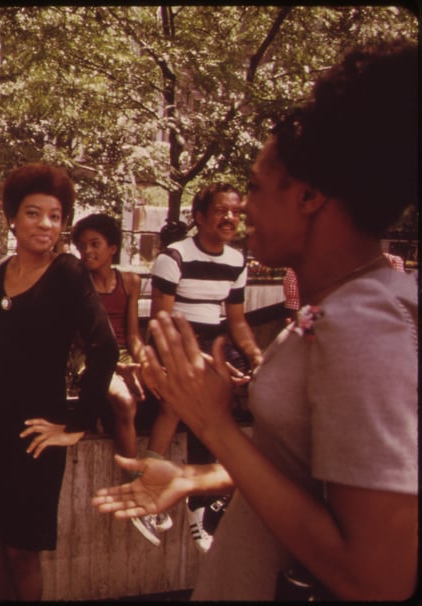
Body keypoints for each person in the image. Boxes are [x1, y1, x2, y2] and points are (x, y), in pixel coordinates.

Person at [93, 41, 418, 601]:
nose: (244, 212)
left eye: (259, 190)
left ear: (311, 197)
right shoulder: (337, 307)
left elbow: (377, 577)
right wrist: (200, 477)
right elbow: (313, 477)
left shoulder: (366, 326)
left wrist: (215, 427)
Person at [0, 163, 118, 601]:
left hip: (36, 431)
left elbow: (106, 348)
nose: (45, 224)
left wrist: (76, 425)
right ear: (11, 217)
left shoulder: (68, 273)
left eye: (55, 215)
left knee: (22, 550)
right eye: (33, 213)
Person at [130, 182, 264, 551]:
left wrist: (256, 356)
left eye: (236, 212)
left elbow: (236, 321)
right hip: (174, 337)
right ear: (200, 217)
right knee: (182, 398)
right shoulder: (173, 257)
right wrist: (204, 360)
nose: (230, 218)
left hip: (214, 340)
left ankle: (207, 500)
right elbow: (162, 320)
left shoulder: (237, 261)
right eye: (221, 210)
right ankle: (154, 490)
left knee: (264, 392)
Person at [70, 213, 147, 457]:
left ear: (112, 248)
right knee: (125, 402)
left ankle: (156, 462)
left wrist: (146, 364)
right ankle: (135, 478)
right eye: (82, 246)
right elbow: (81, 338)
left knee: (171, 393)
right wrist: (114, 368)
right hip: (90, 356)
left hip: (124, 354)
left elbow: (134, 336)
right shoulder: (77, 284)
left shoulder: (130, 282)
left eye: (95, 244)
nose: (87, 251)